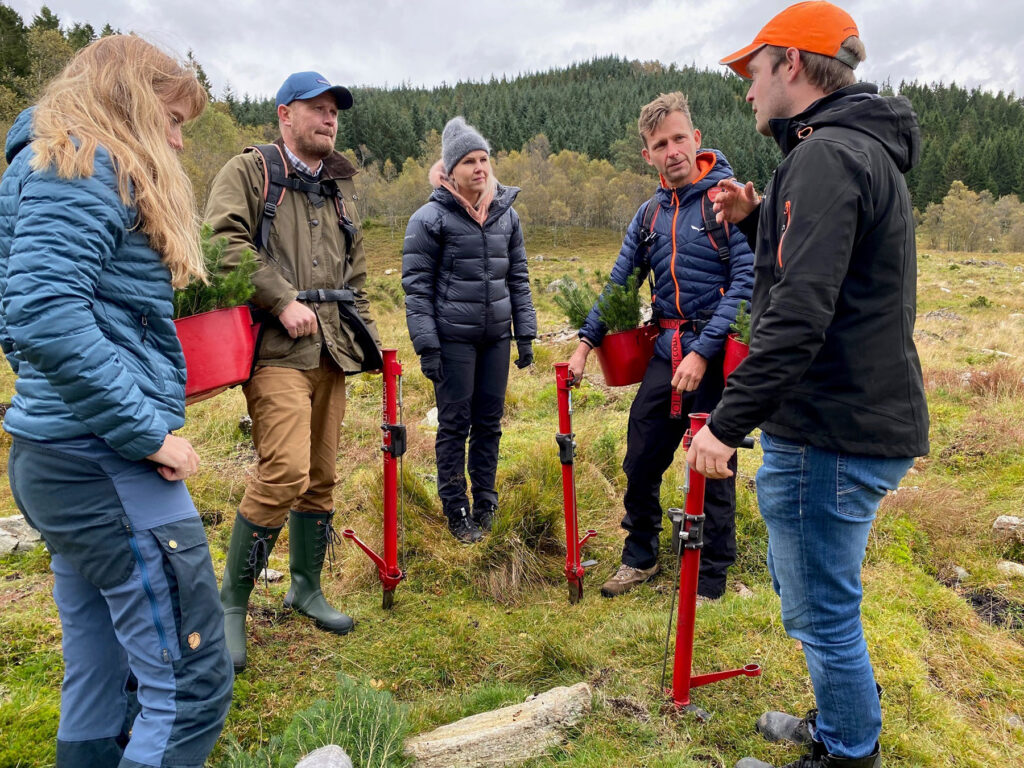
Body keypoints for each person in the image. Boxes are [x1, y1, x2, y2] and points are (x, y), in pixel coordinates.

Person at [687, 3, 930, 767]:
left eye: (752, 72)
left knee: (823, 611)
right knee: (823, 602)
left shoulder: (827, 156)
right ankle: (838, 722)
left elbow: (798, 317)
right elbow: (836, 274)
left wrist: (723, 426)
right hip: (850, 419)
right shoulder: (854, 151)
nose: (747, 91)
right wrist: (763, 218)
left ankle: (848, 751)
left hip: (829, 429)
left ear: (792, 64)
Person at [0, 36, 232, 768]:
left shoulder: (35, 165)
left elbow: (23, 313)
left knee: (101, 676)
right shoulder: (90, 162)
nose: (176, 136)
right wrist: (146, 433)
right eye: (170, 115)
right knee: (190, 686)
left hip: (54, 455)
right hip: (105, 465)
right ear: (129, 96)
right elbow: (40, 312)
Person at [205, 71, 382, 671]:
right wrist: (280, 298)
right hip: (276, 350)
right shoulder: (251, 171)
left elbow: (354, 276)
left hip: (334, 350)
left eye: (335, 111)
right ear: (285, 114)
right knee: (285, 470)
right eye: (317, 109)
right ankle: (232, 602)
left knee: (322, 478)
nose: (329, 119)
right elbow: (223, 239)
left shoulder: (340, 186)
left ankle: (305, 587)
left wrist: (373, 346)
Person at [566, 92, 754, 601]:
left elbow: (745, 279)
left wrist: (703, 350)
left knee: (714, 462)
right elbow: (619, 282)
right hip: (665, 348)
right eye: (658, 144)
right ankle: (641, 555)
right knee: (642, 453)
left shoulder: (726, 200)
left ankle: (711, 577)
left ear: (696, 140)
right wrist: (585, 343)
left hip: (713, 354)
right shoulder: (648, 216)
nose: (671, 150)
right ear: (647, 155)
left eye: (677, 139)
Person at [402, 117, 537, 543]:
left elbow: (518, 277)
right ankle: (456, 510)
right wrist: (427, 346)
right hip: (452, 341)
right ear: (451, 170)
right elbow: (416, 287)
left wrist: (526, 333)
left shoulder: (506, 216)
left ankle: (486, 503)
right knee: (455, 425)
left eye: (484, 159)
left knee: (489, 423)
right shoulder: (429, 219)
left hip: (496, 337)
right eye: (469, 161)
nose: (480, 168)